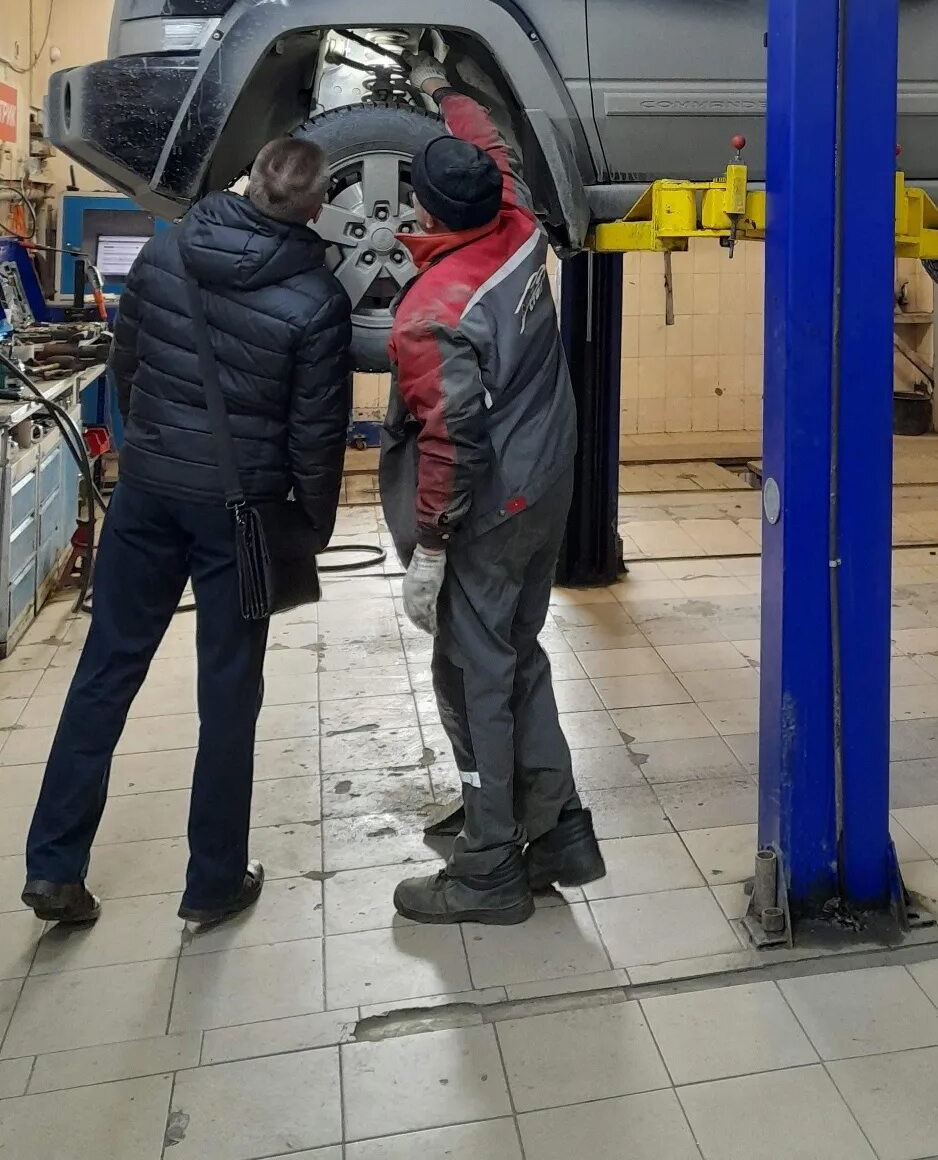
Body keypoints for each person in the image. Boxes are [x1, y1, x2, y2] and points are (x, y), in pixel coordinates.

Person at [23, 138, 351, 930]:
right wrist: (307, 528)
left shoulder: (166, 255)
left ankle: (54, 867)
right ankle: (212, 882)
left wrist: (154, 452)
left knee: (105, 671)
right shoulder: (316, 298)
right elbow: (317, 437)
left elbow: (127, 368)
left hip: (147, 494)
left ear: (249, 183)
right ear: (315, 209)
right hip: (236, 515)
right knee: (228, 693)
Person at [381, 54, 602, 924]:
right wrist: (445, 87)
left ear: (427, 210)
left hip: (493, 499)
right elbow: (495, 145)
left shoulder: (431, 311)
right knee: (518, 652)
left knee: (471, 673)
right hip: (546, 477)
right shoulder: (513, 223)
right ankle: (557, 831)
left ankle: (488, 867)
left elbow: (451, 442)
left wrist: (432, 547)